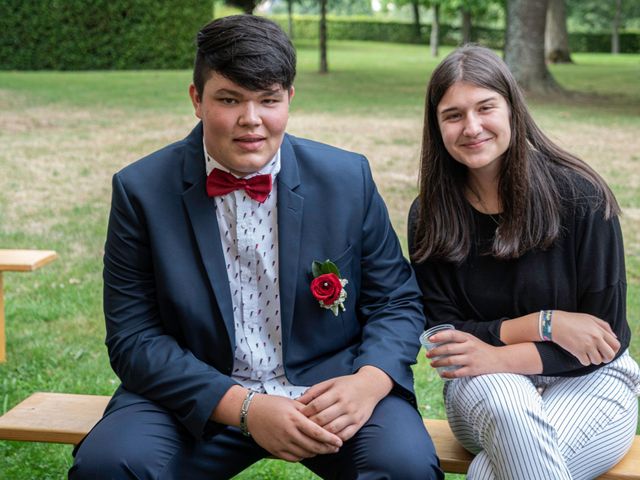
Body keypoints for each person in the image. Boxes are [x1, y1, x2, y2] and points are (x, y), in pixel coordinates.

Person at [69, 14, 443, 480]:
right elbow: (134, 339)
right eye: (229, 100)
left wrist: (368, 383)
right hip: (196, 398)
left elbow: (396, 301)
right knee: (110, 466)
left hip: (331, 389)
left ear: (289, 99)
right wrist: (245, 407)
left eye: (268, 100)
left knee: (404, 466)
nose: (251, 121)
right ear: (197, 100)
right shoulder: (141, 190)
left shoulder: (348, 179)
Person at [408, 44, 640, 479]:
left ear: (512, 108)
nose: (471, 127)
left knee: (487, 474)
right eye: (453, 115)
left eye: (485, 108)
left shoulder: (581, 195)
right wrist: (546, 324)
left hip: (592, 383)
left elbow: (603, 342)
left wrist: (494, 351)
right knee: (509, 406)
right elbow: (445, 337)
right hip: (483, 391)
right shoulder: (431, 213)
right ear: (436, 126)